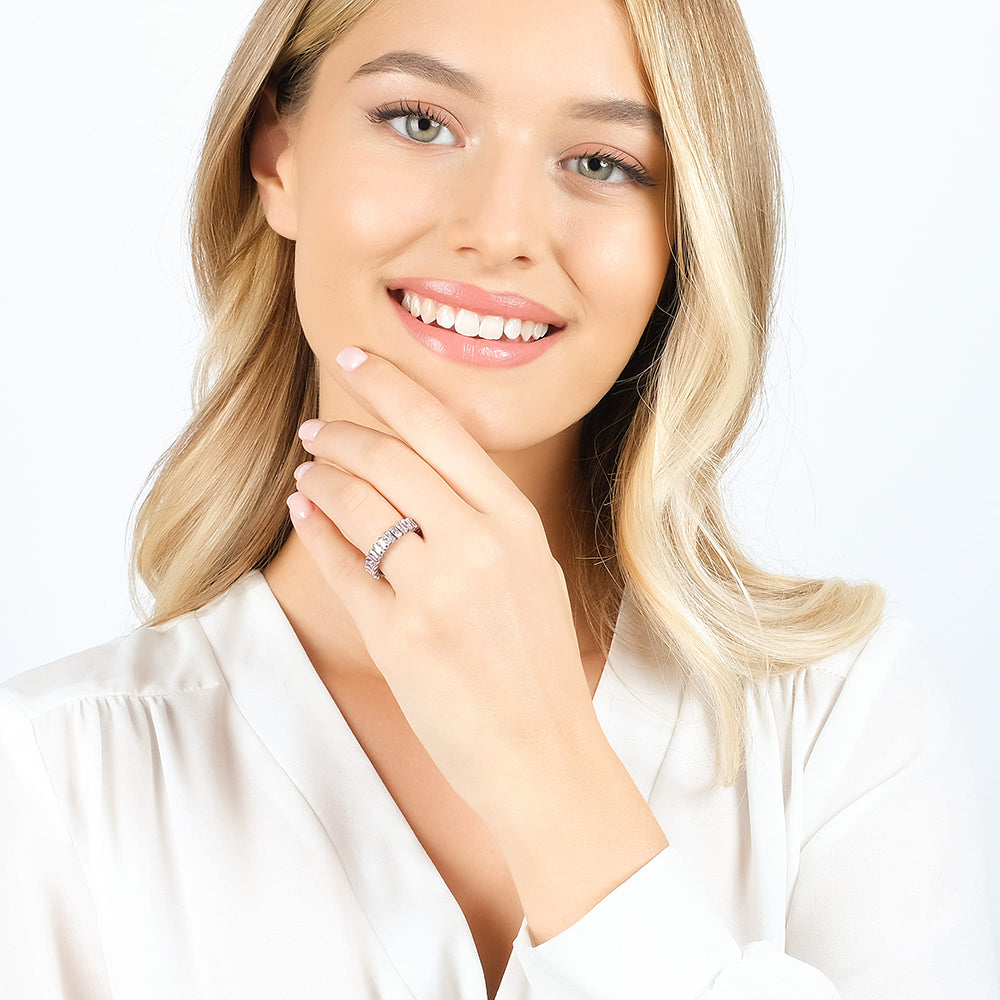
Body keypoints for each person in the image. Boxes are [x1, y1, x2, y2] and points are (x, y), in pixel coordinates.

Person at [1, 0, 996, 996]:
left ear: (679, 236)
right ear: (277, 158)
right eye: (419, 122)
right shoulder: (45, 782)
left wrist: (546, 770)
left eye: (601, 163)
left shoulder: (838, 723)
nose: (502, 231)